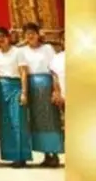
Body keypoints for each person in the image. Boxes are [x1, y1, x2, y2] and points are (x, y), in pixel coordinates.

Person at [21, 23, 64, 167]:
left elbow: (54, 70)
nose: (30, 36)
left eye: (32, 33)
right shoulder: (22, 51)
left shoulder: (47, 49)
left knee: (50, 119)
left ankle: (54, 153)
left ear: (38, 34)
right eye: (27, 33)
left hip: (46, 85)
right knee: (37, 121)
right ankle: (45, 154)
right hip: (31, 86)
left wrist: (55, 89)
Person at [0, 26, 32, 167]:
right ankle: (11, 155)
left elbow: (23, 72)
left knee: (18, 121)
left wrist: (24, 92)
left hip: (16, 87)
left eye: (2, 36)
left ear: (8, 37)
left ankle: (22, 156)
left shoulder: (17, 52)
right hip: (2, 88)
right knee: (5, 122)